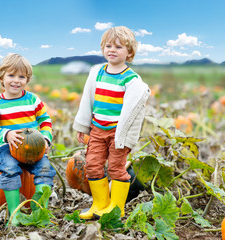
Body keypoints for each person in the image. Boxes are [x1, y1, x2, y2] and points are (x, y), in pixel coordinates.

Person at [73, 26, 151, 219]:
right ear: (102, 48)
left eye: (118, 47)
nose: (112, 50)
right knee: (92, 165)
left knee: (117, 168)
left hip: (117, 133)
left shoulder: (132, 80)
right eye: (108, 46)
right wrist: (83, 126)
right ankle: (99, 204)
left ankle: (116, 209)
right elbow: (87, 101)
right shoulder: (97, 72)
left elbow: (134, 114)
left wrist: (127, 139)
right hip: (97, 130)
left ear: (129, 52)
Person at [0, 53, 56, 226]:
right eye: (11, 75)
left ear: (27, 79)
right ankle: (14, 214)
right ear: (2, 77)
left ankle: (41, 212)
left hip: (33, 147)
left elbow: (45, 121)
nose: (16, 80)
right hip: (7, 148)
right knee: (9, 169)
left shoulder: (33, 99)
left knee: (45, 169)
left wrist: (46, 140)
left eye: (21, 76)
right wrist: (7, 134)